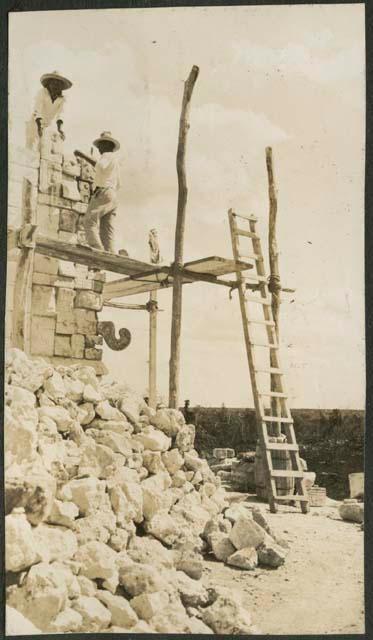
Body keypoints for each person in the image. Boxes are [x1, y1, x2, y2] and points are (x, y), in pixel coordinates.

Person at [78, 131, 122, 253]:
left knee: (88, 221)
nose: (98, 149)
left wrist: (82, 155)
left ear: (107, 145)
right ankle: (110, 255)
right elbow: (119, 184)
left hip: (104, 191)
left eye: (100, 146)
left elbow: (100, 166)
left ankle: (97, 251)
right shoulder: (116, 162)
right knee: (106, 229)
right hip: (113, 195)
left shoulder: (107, 155)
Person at [26, 71, 72, 150]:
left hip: (47, 126)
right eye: (53, 83)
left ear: (61, 87)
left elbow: (61, 114)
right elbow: (38, 110)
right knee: (31, 147)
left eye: (58, 84)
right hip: (35, 123)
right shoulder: (42, 92)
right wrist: (39, 127)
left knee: (43, 149)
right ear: (49, 84)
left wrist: (60, 129)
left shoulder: (63, 99)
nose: (55, 86)